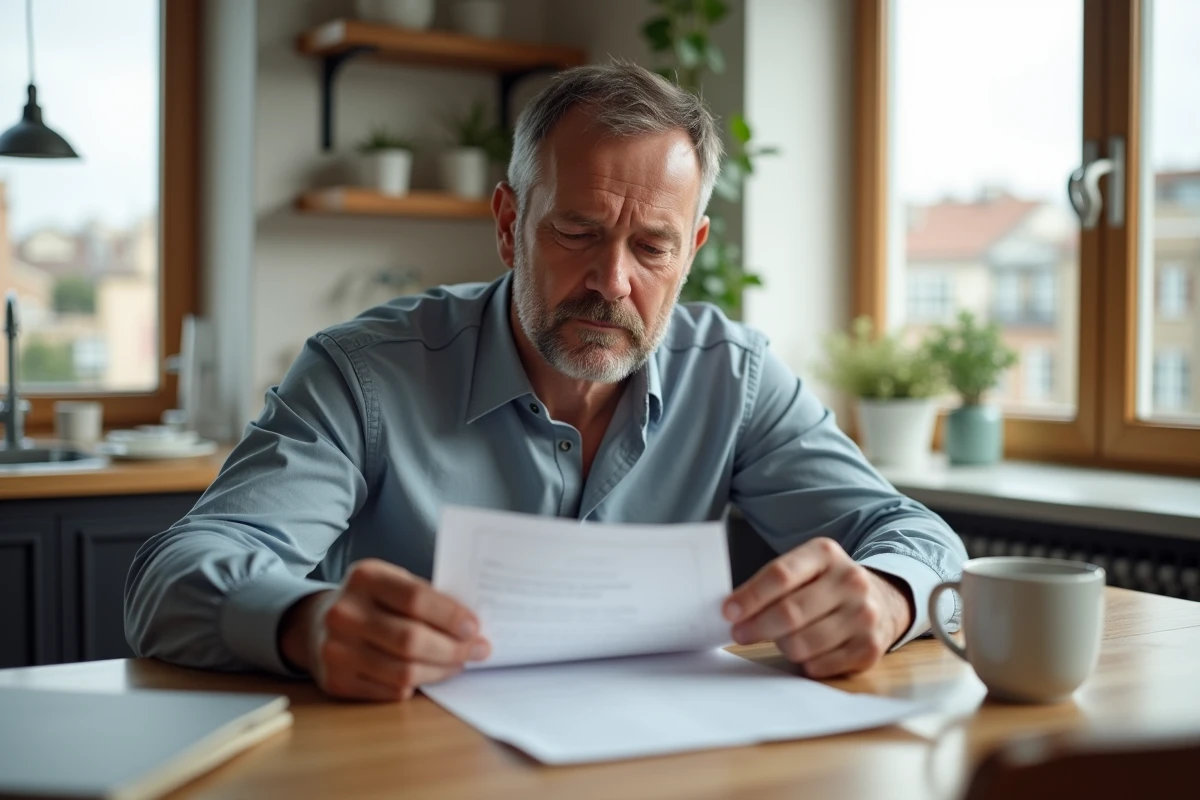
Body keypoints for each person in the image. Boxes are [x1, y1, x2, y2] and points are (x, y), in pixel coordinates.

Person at [125, 62, 965, 702]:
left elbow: (909, 531)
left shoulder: (735, 376)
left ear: (694, 250)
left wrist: (889, 597)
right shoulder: (364, 374)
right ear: (507, 224)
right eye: (576, 230)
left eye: (652, 248)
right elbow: (173, 578)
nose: (612, 280)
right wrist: (304, 624)